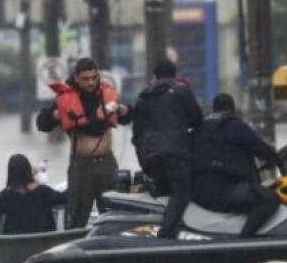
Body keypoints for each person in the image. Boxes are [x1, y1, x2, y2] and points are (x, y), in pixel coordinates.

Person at [36, 58, 133, 229]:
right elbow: (42, 124)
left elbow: (129, 115)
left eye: (94, 78)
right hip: (81, 165)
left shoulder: (106, 95)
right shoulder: (67, 98)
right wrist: (57, 115)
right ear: (77, 78)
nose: (91, 82)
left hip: (106, 162)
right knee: (77, 216)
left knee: (114, 212)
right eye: (86, 79)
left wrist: (120, 109)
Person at [191, 93, 283, 237]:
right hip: (224, 190)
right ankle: (245, 238)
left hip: (197, 192)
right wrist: (277, 159)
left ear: (214, 109)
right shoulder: (234, 126)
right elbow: (260, 148)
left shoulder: (199, 129)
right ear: (233, 110)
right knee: (269, 199)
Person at [132, 59, 203, 239]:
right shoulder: (181, 91)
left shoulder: (142, 97)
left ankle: (159, 230)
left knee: (164, 193)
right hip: (175, 153)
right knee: (182, 191)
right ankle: (167, 234)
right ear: (174, 75)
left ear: (154, 77)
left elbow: (136, 134)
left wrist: (143, 162)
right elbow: (197, 119)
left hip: (150, 156)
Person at [0, 154, 67, 235]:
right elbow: (64, 198)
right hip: (44, 240)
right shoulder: (43, 192)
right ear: (28, 171)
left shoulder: (6, 195)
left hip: (14, 241)